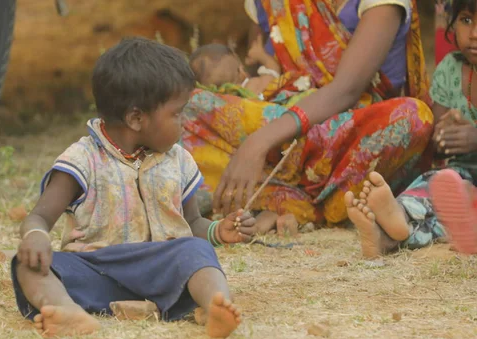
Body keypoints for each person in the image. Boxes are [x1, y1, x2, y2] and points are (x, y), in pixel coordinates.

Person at [11, 37, 257, 339]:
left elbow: (191, 223)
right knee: (28, 265)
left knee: (195, 250)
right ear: (136, 118)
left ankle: (216, 306)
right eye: (177, 113)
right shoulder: (83, 159)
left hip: (161, 272)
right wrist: (35, 238)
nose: (184, 123)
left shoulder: (177, 160)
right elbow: (38, 217)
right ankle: (65, 310)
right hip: (96, 269)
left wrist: (217, 231)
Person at [182, 0, 433, 230]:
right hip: (277, 132)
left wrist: (257, 142)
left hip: (342, 138)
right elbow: (256, 78)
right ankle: (286, 201)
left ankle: (297, 205)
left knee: (413, 116)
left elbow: (346, 90)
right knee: (185, 105)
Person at [345, 0, 477, 257]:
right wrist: (446, 132)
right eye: (466, 20)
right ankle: (389, 228)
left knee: (457, 201)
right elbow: (437, 142)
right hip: (461, 175)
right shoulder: (450, 69)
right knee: (434, 186)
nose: (474, 34)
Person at [189, 41, 281, 99]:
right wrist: (261, 55)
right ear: (241, 72)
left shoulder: (217, 105)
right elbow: (273, 71)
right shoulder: (251, 87)